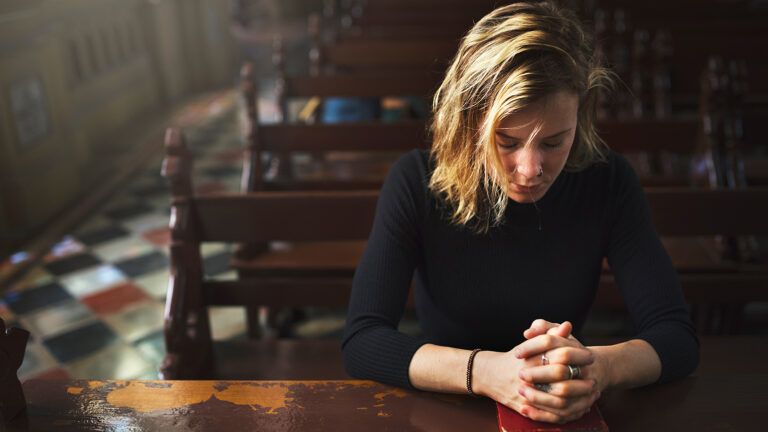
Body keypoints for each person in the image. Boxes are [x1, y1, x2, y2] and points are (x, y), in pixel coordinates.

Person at [341, 1, 699, 424]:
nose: (530, 171)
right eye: (507, 141)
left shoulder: (609, 181)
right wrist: (487, 372)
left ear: (579, 119)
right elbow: (363, 340)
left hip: (563, 406)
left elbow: (675, 336)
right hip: (446, 406)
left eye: (553, 142)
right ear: (471, 122)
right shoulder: (416, 181)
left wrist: (597, 368)